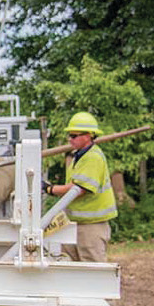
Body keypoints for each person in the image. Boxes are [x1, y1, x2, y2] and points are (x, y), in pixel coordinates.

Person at [43, 111, 117, 262]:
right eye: (69, 135)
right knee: (72, 268)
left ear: (88, 135)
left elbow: (78, 190)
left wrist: (49, 189)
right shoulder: (80, 156)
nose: (69, 139)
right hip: (76, 224)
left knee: (92, 272)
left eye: (73, 136)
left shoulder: (93, 158)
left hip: (91, 227)